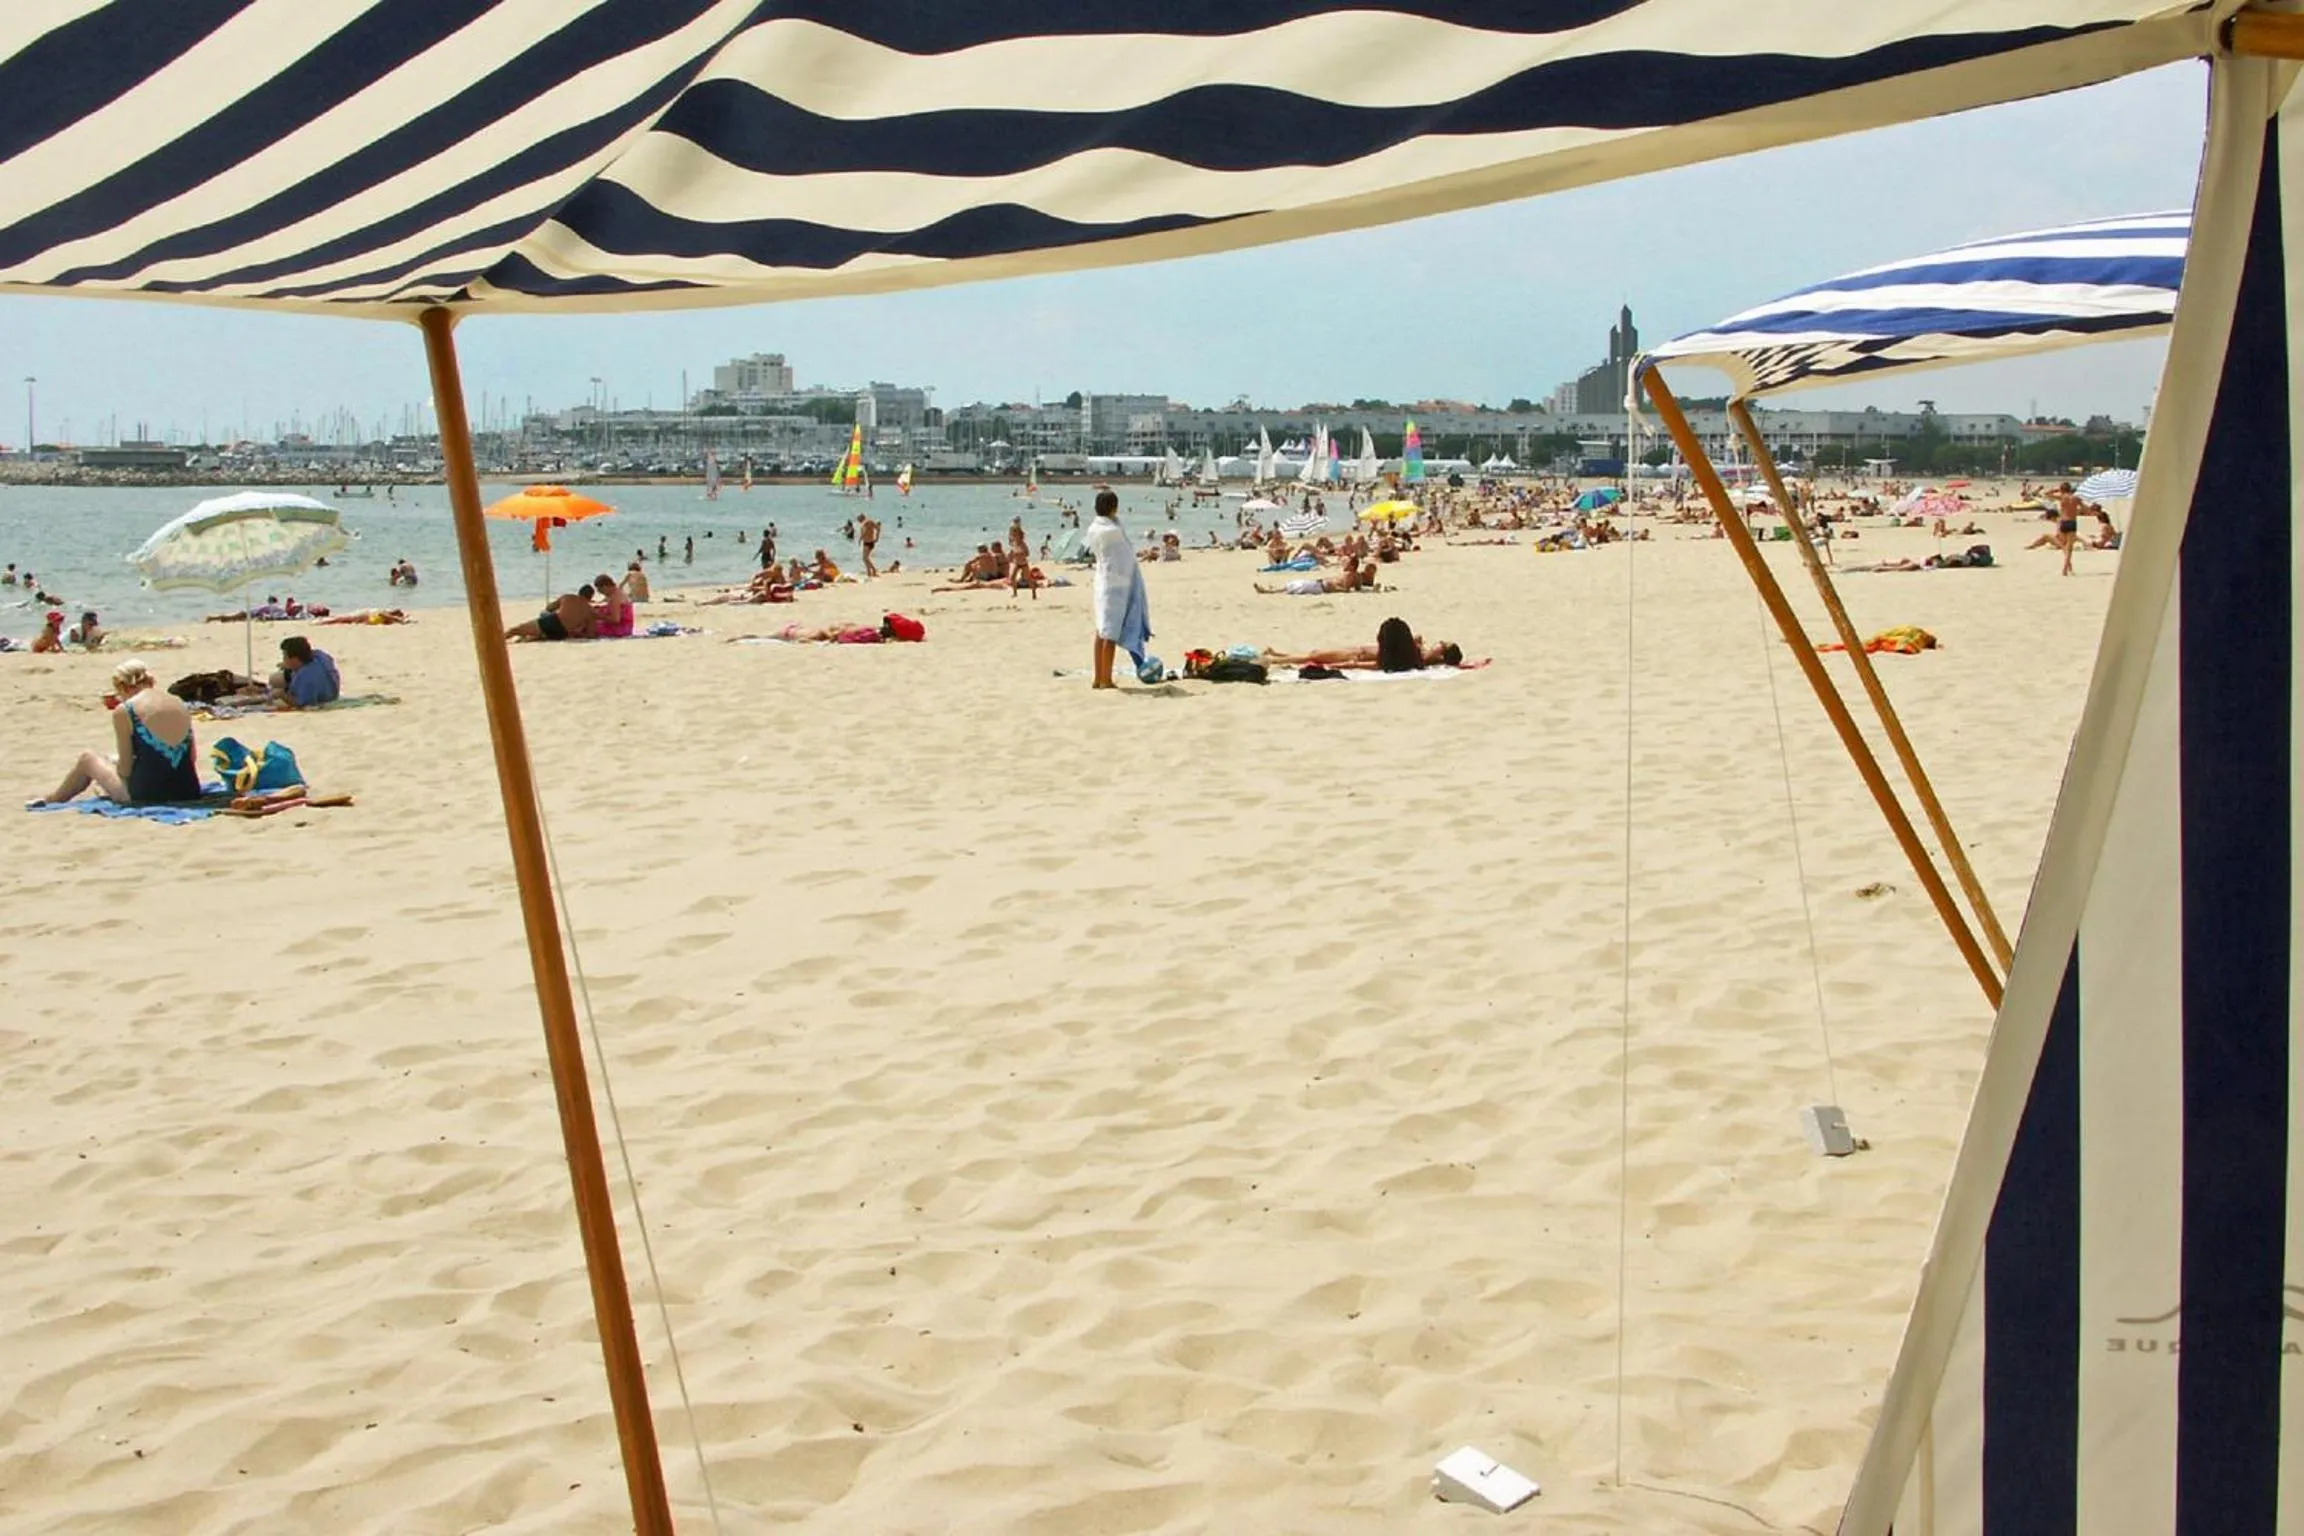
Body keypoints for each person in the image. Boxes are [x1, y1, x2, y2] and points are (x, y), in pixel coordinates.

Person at [43, 658, 201, 805]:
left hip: (148, 795)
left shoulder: (127, 710)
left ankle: (54, 799)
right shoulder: (179, 702)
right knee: (111, 760)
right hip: (188, 790)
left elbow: (125, 768)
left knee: (88, 759)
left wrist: (109, 779)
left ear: (123, 687)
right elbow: (192, 757)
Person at [1083, 488, 1149, 689]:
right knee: (1109, 633)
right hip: (1116, 585)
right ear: (1114, 507)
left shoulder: (1094, 527)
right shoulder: (1112, 530)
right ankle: (1106, 679)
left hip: (1102, 581)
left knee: (1101, 630)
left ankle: (1097, 677)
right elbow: (1125, 556)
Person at [507, 584, 597, 642]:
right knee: (538, 635)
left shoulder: (568, 597)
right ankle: (533, 636)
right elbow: (591, 635)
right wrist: (577, 633)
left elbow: (549, 607)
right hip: (562, 633)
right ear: (590, 597)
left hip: (552, 622)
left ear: (579, 593)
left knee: (516, 630)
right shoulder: (591, 611)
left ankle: (500, 640)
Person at [277, 635, 341, 708]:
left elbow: (302, 705)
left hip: (320, 700)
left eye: (285, 657)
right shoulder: (319, 656)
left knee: (276, 680)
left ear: (294, 659)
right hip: (331, 692)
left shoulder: (306, 677)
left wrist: (281, 695)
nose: (284, 659)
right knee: (278, 678)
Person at [2053, 482, 2083, 576]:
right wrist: (2077, 511)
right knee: (2069, 547)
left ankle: (2068, 567)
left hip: (2063, 522)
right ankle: (2066, 568)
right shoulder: (2076, 498)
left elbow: (2046, 494)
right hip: (2072, 522)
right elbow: (2084, 507)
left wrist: (2057, 490)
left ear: (2062, 489)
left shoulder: (2062, 497)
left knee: (2064, 546)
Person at [592, 571, 634, 636]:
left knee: (590, 625)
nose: (599, 592)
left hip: (619, 630)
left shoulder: (614, 598)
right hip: (627, 628)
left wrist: (598, 616)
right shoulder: (619, 592)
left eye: (600, 589)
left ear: (606, 586)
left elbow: (615, 620)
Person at [859, 512, 882, 578]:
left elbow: (877, 528)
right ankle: (869, 572)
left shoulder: (868, 522)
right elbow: (876, 529)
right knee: (866, 558)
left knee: (865, 558)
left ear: (862, 517)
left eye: (859, 519)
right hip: (869, 542)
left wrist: (877, 537)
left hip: (868, 542)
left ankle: (874, 570)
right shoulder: (867, 523)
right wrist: (877, 537)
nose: (858, 521)